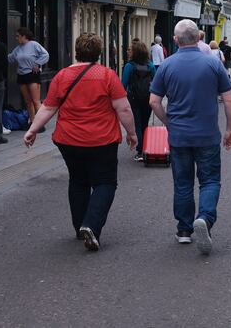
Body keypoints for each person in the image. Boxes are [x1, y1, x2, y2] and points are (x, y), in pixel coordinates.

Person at [24, 33, 138, 252]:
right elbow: (123, 108)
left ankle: (80, 227)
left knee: (78, 181)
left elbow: (48, 107)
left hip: (68, 140)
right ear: (99, 52)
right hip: (101, 140)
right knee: (105, 182)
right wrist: (132, 133)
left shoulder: (62, 76)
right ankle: (91, 226)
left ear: (75, 51)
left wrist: (33, 129)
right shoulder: (107, 75)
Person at [149, 19, 231, 255]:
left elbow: (154, 102)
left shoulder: (166, 65)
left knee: (183, 182)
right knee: (209, 180)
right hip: (207, 134)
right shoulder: (213, 64)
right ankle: (205, 219)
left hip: (179, 136)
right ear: (199, 38)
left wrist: (168, 122)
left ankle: (185, 230)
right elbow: (229, 100)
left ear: (175, 40)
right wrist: (230, 129)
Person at [8, 28, 50, 128]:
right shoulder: (18, 48)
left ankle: (40, 124)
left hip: (32, 74)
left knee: (36, 101)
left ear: (24, 36)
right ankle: (32, 122)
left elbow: (45, 54)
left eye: (18, 36)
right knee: (28, 101)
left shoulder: (34, 45)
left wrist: (38, 63)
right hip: (21, 75)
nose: (16, 38)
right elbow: (10, 58)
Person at [122, 40, 156, 161]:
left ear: (135, 52)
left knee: (137, 123)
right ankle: (146, 148)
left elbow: (123, 85)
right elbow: (156, 83)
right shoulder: (150, 65)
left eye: (129, 50)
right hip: (147, 98)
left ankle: (140, 151)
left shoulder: (129, 66)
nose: (127, 51)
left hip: (134, 99)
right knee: (144, 124)